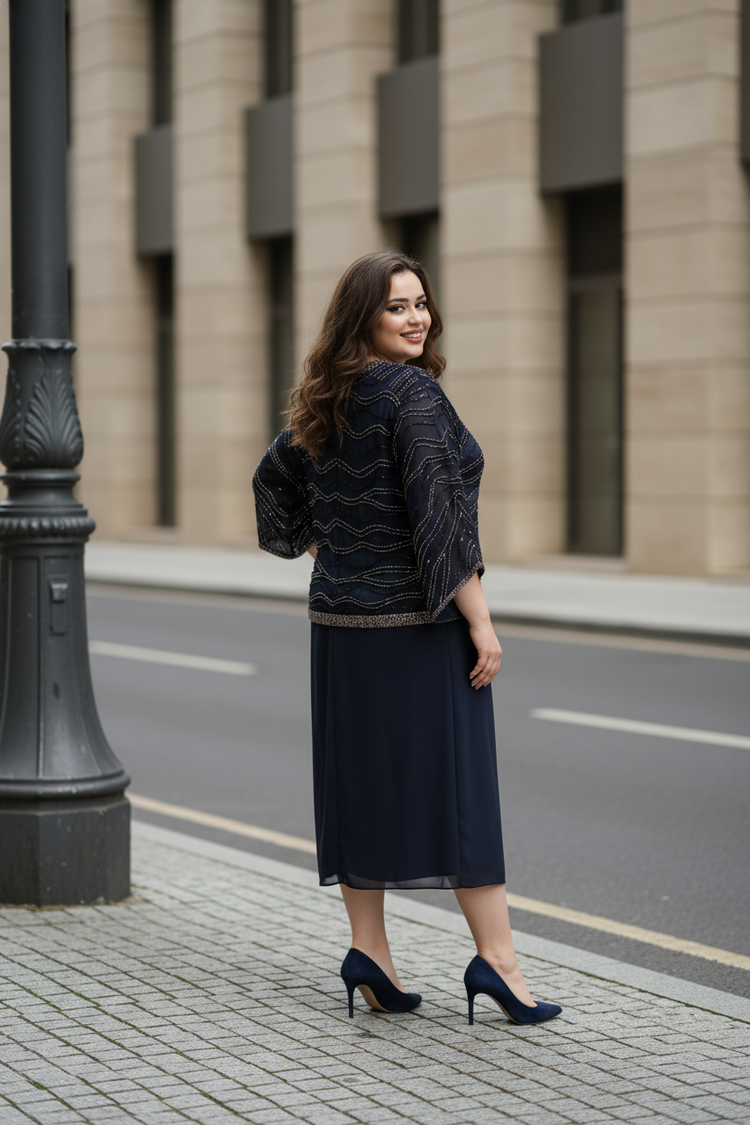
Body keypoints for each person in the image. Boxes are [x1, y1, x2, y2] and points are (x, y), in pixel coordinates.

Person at [253, 250, 561, 1027]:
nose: (417, 317)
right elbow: (440, 518)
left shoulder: (329, 395)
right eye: (397, 306)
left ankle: (371, 955)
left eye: (421, 302)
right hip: (419, 628)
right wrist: (481, 620)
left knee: (361, 783)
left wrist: (327, 544)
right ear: (363, 317)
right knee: (460, 792)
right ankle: (499, 963)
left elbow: (272, 483)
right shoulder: (412, 395)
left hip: (341, 630)